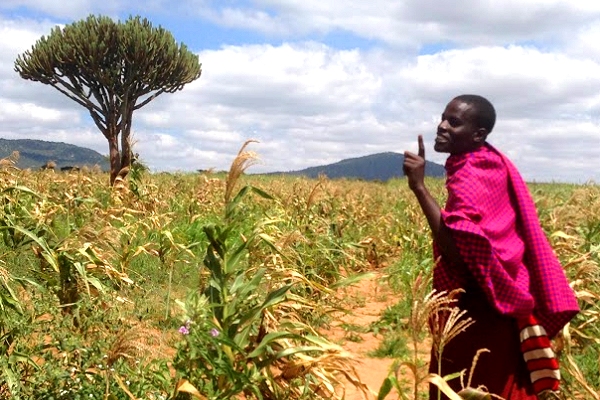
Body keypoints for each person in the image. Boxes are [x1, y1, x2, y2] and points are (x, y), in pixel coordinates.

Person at [402, 94, 579, 399]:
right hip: (502, 299)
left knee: (470, 387)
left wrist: (419, 187)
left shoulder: (472, 173)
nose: (441, 126)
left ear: (478, 135)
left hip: (482, 308)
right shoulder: (487, 162)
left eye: (453, 122)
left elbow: (459, 253)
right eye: (443, 118)